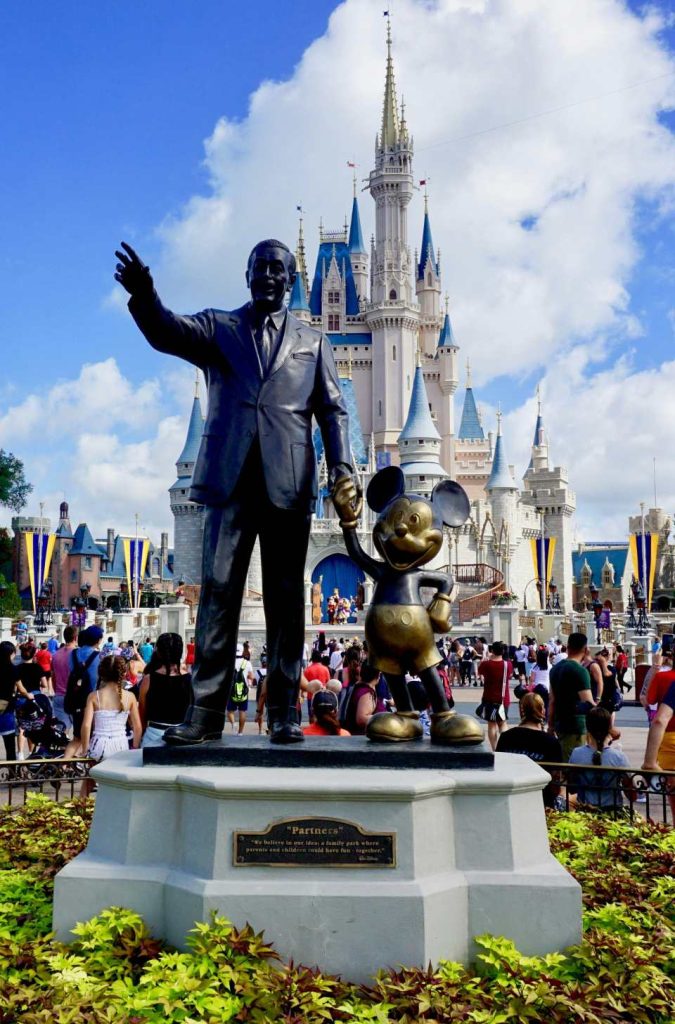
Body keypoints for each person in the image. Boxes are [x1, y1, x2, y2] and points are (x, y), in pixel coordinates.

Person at [115, 238, 360, 745]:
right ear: (246, 275)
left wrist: (342, 468)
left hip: (289, 485)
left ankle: (285, 714)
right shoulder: (219, 328)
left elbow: (334, 411)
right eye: (260, 267)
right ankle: (204, 713)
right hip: (230, 484)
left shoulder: (314, 343)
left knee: (288, 600)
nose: (268, 275)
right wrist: (145, 296)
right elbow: (167, 332)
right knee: (220, 595)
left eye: (278, 268)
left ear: (291, 281)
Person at [79, 655, 142, 796]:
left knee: (89, 781)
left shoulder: (94, 696)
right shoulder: (129, 696)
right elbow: (137, 727)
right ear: (123, 673)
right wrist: (135, 747)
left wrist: (84, 748)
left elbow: (86, 725)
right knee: (117, 784)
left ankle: (81, 812)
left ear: (101, 673)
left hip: (99, 745)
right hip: (121, 745)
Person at [496, 692, 563, 807]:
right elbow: (556, 779)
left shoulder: (506, 737)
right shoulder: (551, 741)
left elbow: (497, 769)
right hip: (541, 799)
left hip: (509, 797)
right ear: (542, 711)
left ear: (521, 712)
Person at [569, 707, 630, 809]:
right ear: (609, 728)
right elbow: (632, 795)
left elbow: (571, 785)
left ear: (587, 727)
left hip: (585, 811)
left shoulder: (577, 753)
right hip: (613, 812)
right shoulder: (619, 757)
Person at [138, 633, 192, 748]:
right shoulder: (190, 680)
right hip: (181, 736)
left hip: (153, 734)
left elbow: (142, 714)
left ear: (158, 652)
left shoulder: (148, 680)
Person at [548, 632, 596, 761]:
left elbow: (552, 700)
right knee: (574, 765)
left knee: (564, 760)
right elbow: (588, 704)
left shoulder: (555, 669)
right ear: (585, 649)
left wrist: (550, 725)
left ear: (567, 647)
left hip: (560, 723)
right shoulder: (580, 671)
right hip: (576, 726)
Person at [0, 641, 36, 760]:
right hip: (6, 708)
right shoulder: (12, 669)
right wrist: (28, 695)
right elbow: (21, 689)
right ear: (11, 654)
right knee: (9, 745)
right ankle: (11, 774)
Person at [477, 641, 512, 751]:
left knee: (491, 724)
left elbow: (479, 672)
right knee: (503, 723)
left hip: (489, 698)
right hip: (503, 698)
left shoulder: (486, 664)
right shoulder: (508, 665)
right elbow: (509, 676)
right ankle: (505, 746)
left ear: (492, 651)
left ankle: (494, 748)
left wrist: (485, 658)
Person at [51, 625, 78, 731]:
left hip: (59, 695)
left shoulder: (56, 655)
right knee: (80, 736)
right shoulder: (77, 654)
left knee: (61, 733)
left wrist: (56, 690)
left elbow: (53, 677)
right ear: (75, 638)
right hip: (74, 697)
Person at [343, 662, 378, 736]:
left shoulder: (359, 687)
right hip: (361, 737)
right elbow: (362, 719)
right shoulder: (366, 692)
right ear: (377, 675)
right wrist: (384, 718)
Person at [226, 643, 255, 734]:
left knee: (230, 711)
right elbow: (251, 677)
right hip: (243, 692)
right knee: (242, 711)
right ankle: (240, 732)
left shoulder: (229, 662)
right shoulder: (247, 663)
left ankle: (233, 724)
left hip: (231, 691)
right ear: (242, 652)